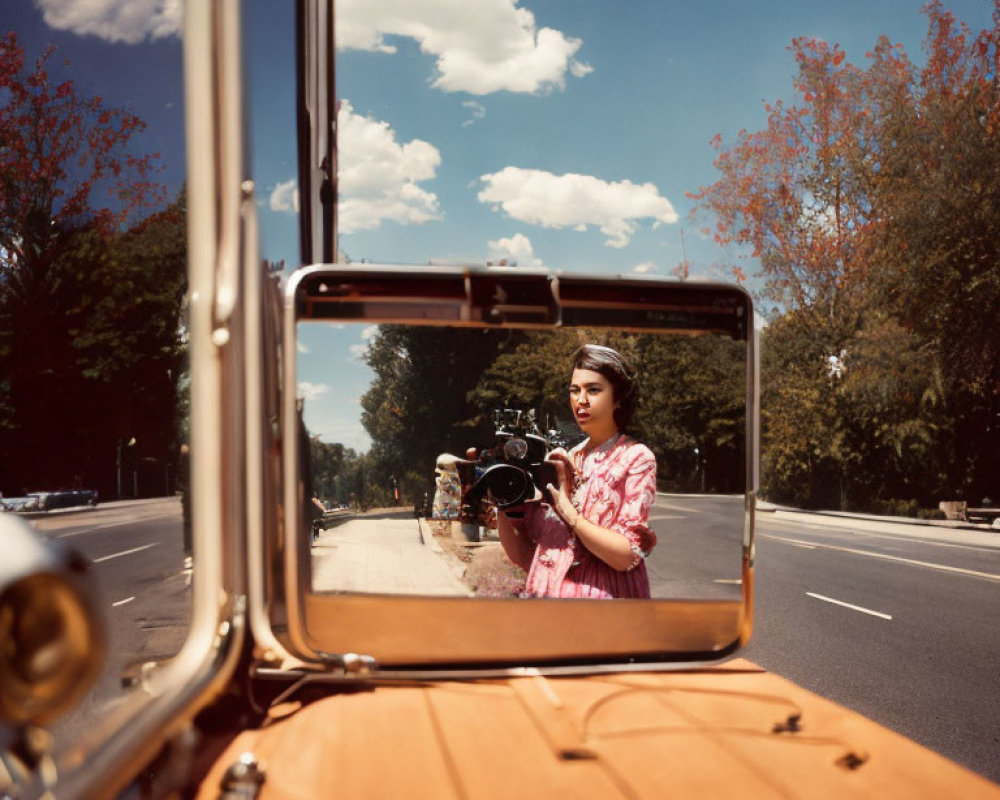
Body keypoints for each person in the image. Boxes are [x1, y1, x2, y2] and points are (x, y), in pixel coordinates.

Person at [496, 344, 658, 598]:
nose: (581, 400)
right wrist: (504, 505)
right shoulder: (564, 459)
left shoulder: (636, 458)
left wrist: (569, 513)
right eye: (575, 390)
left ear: (618, 398)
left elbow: (627, 557)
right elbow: (525, 556)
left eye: (593, 390)